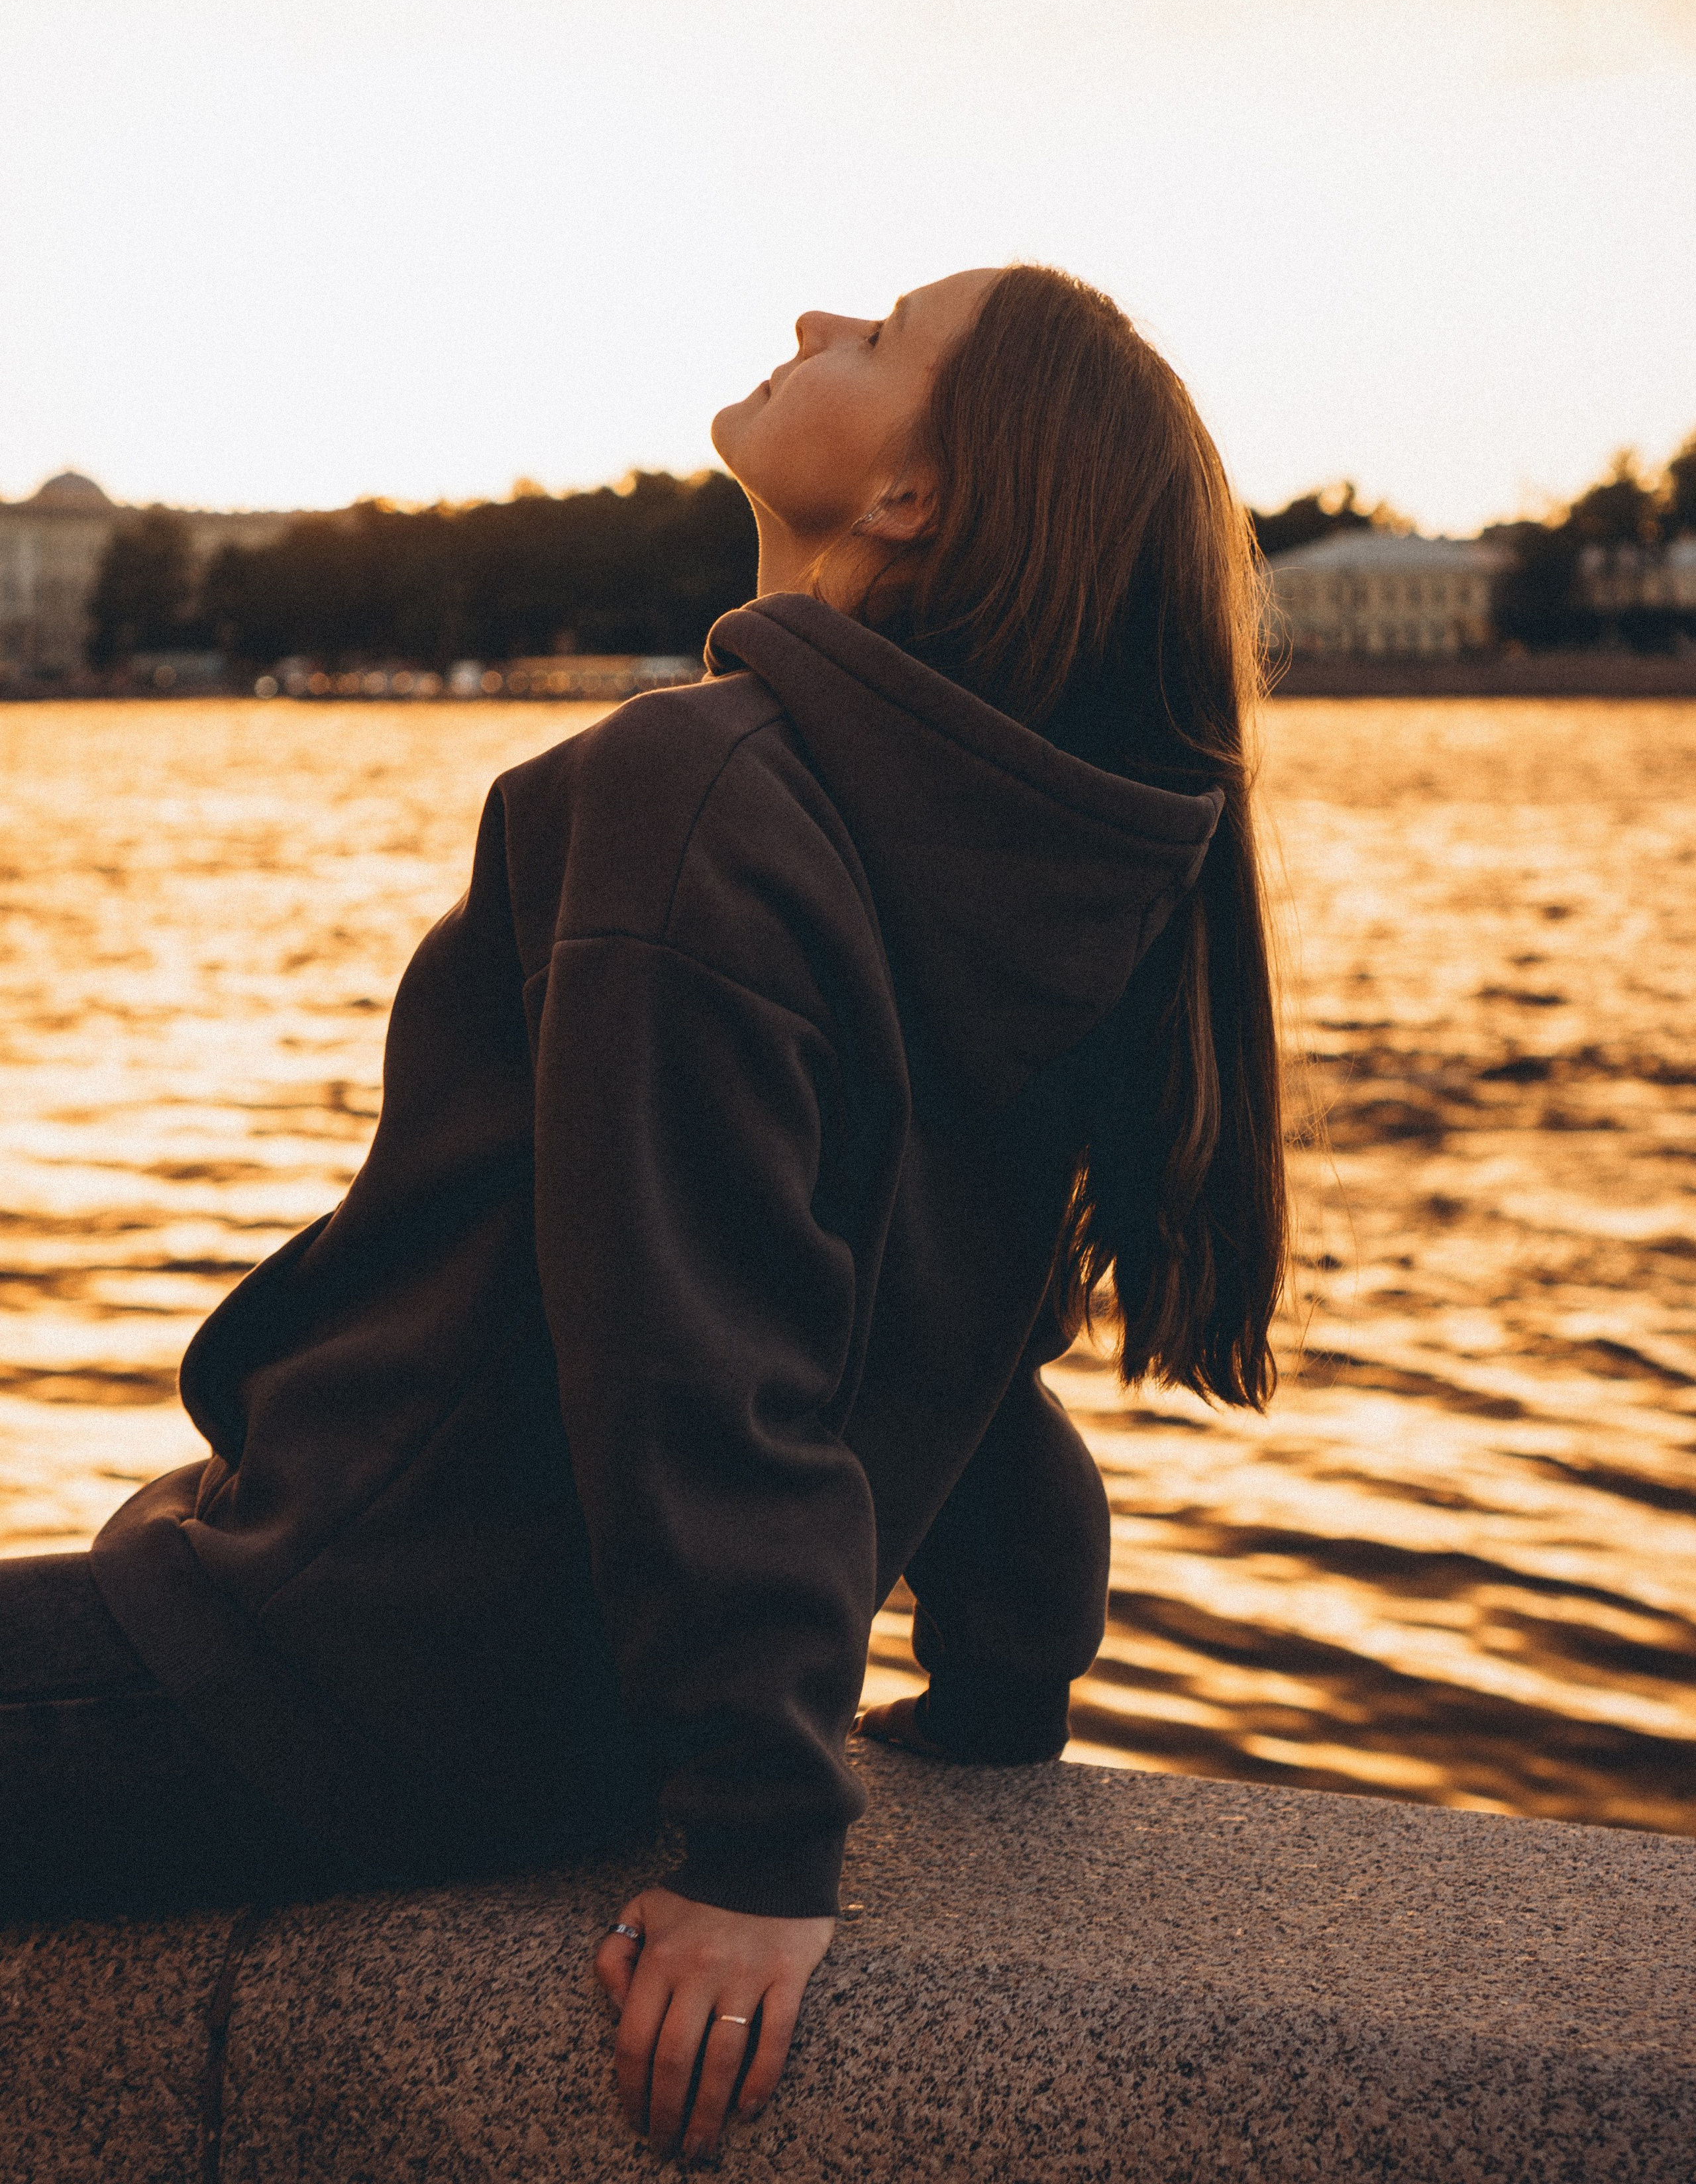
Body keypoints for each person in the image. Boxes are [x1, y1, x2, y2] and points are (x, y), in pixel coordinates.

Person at [0, 264, 1287, 2164]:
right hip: (565, 1716)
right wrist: (1009, 1674)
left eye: (879, 338)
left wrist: (764, 1846)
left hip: (349, 1673)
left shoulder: (700, 788)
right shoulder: (1008, 857)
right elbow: (938, 1335)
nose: (816, 320)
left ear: (913, 498)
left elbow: (686, 1343)